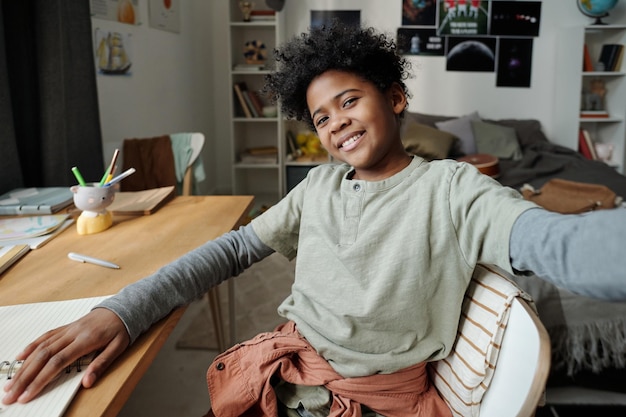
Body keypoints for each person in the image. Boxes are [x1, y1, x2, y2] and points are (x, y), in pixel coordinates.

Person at [3, 23, 626, 416]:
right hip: (290, 374)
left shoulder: (453, 187)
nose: (337, 124)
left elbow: (557, 244)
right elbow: (228, 252)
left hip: (372, 398)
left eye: (350, 100)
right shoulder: (317, 187)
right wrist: (122, 308)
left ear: (396, 99)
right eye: (321, 117)